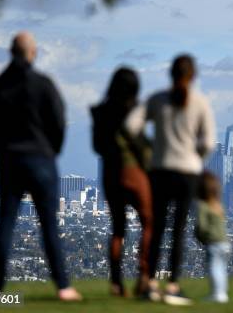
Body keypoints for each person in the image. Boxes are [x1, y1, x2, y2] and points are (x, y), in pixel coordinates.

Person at [0, 32, 81, 301]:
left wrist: (1, 151)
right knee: (48, 225)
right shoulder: (43, 84)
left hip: (9, 160)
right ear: (32, 53)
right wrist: (52, 151)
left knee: (5, 223)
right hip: (41, 160)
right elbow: (59, 121)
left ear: (10, 52)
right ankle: (63, 287)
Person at [125, 54, 216, 306]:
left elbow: (131, 126)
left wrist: (150, 148)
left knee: (157, 228)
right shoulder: (200, 103)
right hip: (187, 173)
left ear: (170, 74)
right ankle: (173, 285)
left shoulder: (157, 100)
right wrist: (195, 157)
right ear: (193, 76)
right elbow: (208, 142)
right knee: (178, 230)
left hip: (160, 171)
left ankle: (151, 283)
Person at [91, 67, 153, 298]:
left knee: (118, 228)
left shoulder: (100, 112)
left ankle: (116, 283)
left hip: (110, 173)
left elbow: (96, 146)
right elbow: (141, 145)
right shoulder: (134, 111)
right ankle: (144, 276)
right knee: (149, 222)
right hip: (133, 172)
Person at [195, 172, 230, 303]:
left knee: (214, 268)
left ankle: (217, 294)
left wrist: (200, 236)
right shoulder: (218, 206)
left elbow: (201, 226)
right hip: (225, 243)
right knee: (222, 268)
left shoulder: (203, 206)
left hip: (213, 243)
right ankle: (222, 293)